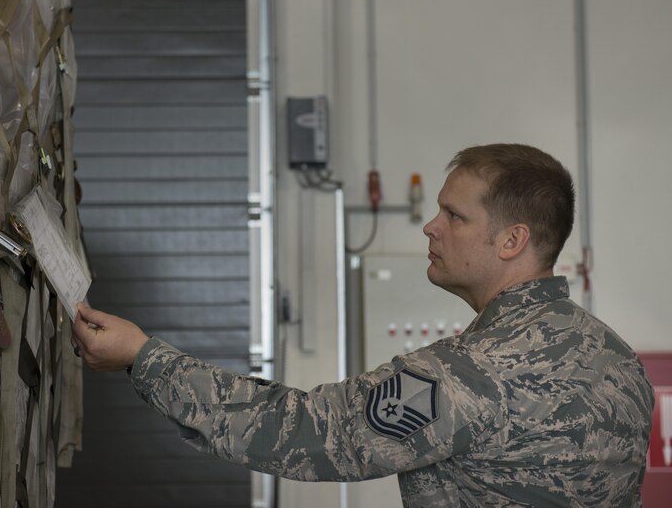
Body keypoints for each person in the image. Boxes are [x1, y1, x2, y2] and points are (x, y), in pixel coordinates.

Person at [72, 143, 654, 507]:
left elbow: (309, 431)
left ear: (512, 241)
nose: (431, 227)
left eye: (454, 215)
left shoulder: (471, 374)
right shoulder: (620, 361)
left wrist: (143, 357)